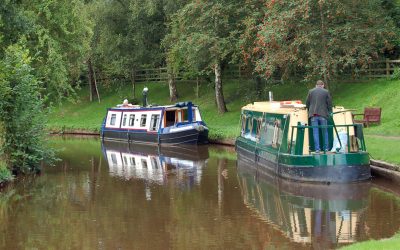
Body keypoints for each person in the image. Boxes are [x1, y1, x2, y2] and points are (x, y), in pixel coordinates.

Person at [306, 80, 332, 153]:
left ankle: (317, 149)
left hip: (313, 115)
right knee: (325, 132)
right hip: (323, 115)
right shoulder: (326, 92)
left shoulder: (311, 91)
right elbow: (329, 103)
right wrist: (330, 111)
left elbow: (307, 103)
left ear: (316, 85)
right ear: (323, 85)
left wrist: (309, 110)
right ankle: (326, 148)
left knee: (315, 132)